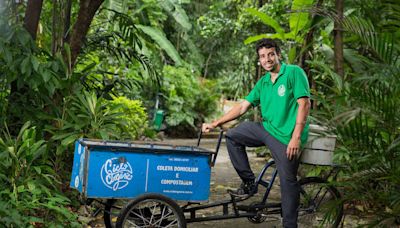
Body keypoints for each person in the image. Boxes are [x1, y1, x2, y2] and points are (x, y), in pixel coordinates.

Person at [202, 38, 310, 228]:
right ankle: (249, 183)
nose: (267, 59)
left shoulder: (293, 73)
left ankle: (290, 224)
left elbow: (304, 104)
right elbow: (243, 106)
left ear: (278, 54)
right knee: (233, 135)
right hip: (266, 129)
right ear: (259, 60)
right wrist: (215, 122)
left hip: (286, 136)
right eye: (262, 56)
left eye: (270, 54)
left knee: (288, 181)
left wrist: (296, 137)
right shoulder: (263, 82)